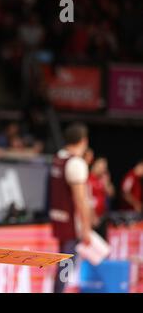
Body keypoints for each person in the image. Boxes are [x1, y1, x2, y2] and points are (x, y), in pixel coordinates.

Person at [49, 122, 93, 293]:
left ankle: (58, 290)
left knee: (63, 262)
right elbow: (80, 200)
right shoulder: (76, 163)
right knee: (66, 264)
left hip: (58, 217)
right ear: (84, 141)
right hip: (71, 223)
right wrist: (87, 228)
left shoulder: (59, 157)